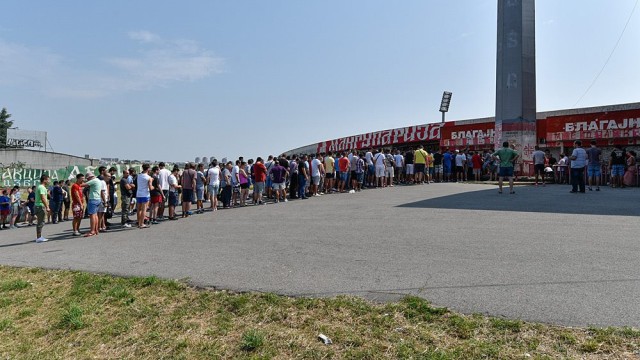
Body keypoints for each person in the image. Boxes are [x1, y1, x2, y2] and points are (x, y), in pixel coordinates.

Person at [34, 174, 51, 242]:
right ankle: (38, 237)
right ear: (44, 180)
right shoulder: (41, 187)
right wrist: (47, 207)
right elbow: (43, 198)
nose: (49, 181)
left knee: (41, 222)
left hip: (38, 206)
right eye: (48, 179)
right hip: (40, 206)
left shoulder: (40, 187)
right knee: (41, 222)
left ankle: (39, 236)